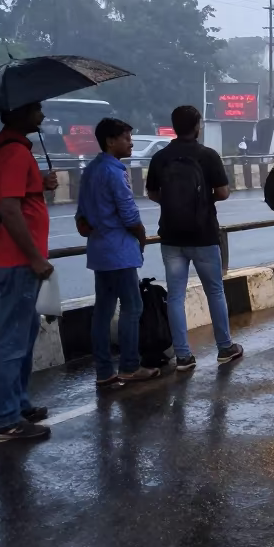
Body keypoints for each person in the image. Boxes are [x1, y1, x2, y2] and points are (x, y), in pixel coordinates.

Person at [146, 105, 243, 370]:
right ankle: (225, 348)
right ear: (197, 125)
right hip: (203, 234)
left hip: (171, 236)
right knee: (214, 291)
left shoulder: (161, 157)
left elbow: (153, 193)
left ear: (174, 126)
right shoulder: (207, 155)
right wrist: (200, 200)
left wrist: (175, 203)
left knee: (175, 295)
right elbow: (222, 192)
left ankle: (183, 356)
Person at [0, 102, 58, 441]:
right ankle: (4, 420)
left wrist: (39, 183)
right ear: (21, 113)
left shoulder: (8, 148)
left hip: (17, 260)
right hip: (18, 261)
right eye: (37, 109)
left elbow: (18, 196)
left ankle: (18, 404)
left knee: (24, 336)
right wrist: (35, 258)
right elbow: (9, 209)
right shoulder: (13, 151)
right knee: (11, 342)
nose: (42, 115)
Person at [76, 117, 157, 390]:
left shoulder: (90, 171)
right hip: (120, 251)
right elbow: (128, 212)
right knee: (132, 307)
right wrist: (141, 235)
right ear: (111, 141)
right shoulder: (114, 171)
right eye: (126, 137)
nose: (131, 142)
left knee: (103, 311)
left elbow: (81, 219)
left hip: (99, 251)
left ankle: (103, 371)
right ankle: (130, 366)